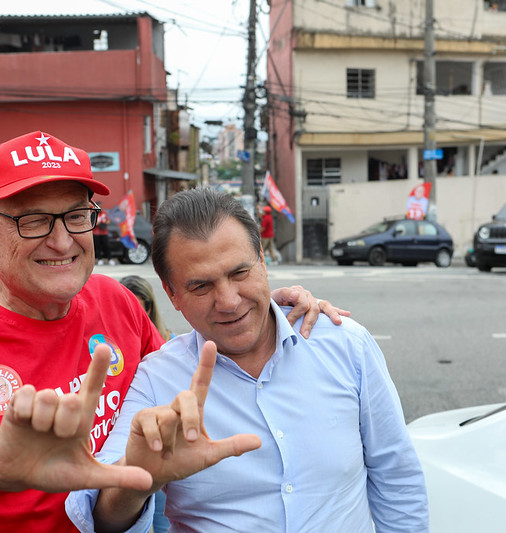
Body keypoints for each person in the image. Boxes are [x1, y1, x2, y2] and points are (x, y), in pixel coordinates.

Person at [0, 131, 345, 532]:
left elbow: (190, 378)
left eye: (75, 216)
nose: (63, 241)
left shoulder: (113, 301)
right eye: (33, 221)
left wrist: (270, 314)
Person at [66, 187, 428, 532]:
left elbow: (396, 475)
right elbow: (101, 518)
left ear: (263, 262)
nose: (228, 300)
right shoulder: (158, 380)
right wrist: (137, 479)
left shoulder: (345, 345)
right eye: (200, 286)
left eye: (240, 273)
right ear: (171, 293)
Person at [119, 275, 172, 533]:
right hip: (126, 446)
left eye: (141, 307)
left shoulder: (169, 344)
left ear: (150, 307)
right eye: (127, 309)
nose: (136, 316)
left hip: (160, 445)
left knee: (163, 525)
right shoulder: (113, 346)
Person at [120, 275, 172, 342]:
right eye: (124, 310)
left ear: (149, 309)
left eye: (136, 311)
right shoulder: (108, 344)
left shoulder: (171, 344)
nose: (130, 317)